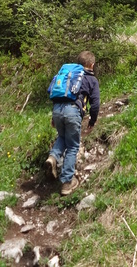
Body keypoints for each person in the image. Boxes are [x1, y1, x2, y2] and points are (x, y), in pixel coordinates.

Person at [44, 50, 100, 196]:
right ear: (91, 65)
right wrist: (92, 121)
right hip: (73, 111)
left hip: (57, 109)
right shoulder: (91, 79)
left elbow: (57, 93)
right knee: (73, 146)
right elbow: (95, 104)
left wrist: (54, 117)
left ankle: (53, 157)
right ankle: (67, 183)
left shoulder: (69, 75)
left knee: (62, 137)